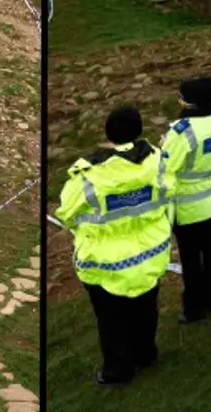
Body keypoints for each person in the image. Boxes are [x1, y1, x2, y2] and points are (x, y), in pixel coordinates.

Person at [55, 106, 173, 387]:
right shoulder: (157, 161)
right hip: (149, 254)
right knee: (146, 309)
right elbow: (169, 190)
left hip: (106, 264)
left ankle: (118, 371)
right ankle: (146, 355)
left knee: (111, 320)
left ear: (108, 133)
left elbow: (67, 213)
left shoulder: (89, 176)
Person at [159, 75, 211, 324]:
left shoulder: (182, 132)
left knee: (191, 260)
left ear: (189, 105)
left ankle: (194, 309)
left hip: (188, 204)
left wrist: (163, 147)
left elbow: (166, 168)